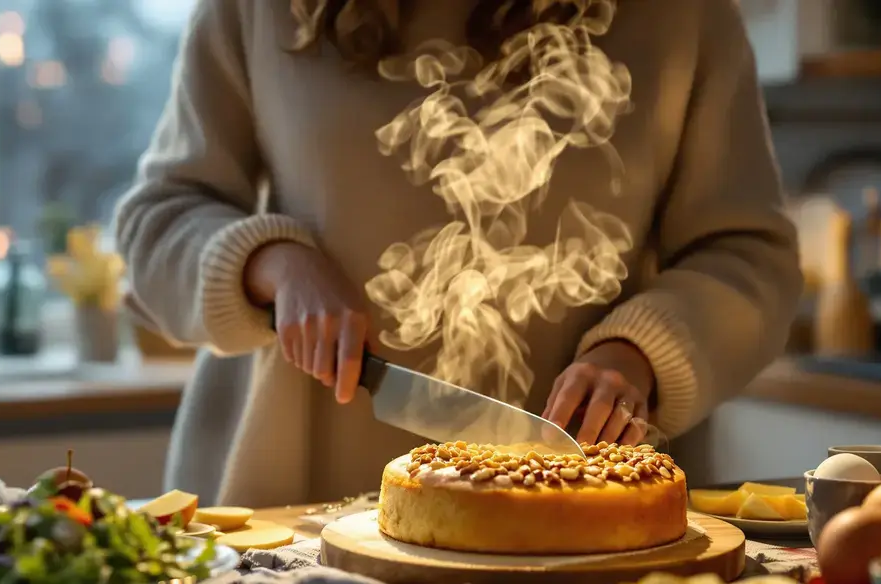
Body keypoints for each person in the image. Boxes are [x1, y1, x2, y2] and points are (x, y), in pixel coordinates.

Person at [116, 0, 803, 508]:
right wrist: (270, 262)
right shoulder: (259, 10)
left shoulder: (683, 18)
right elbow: (158, 222)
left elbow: (748, 254)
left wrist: (642, 354)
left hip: (583, 514)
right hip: (287, 510)